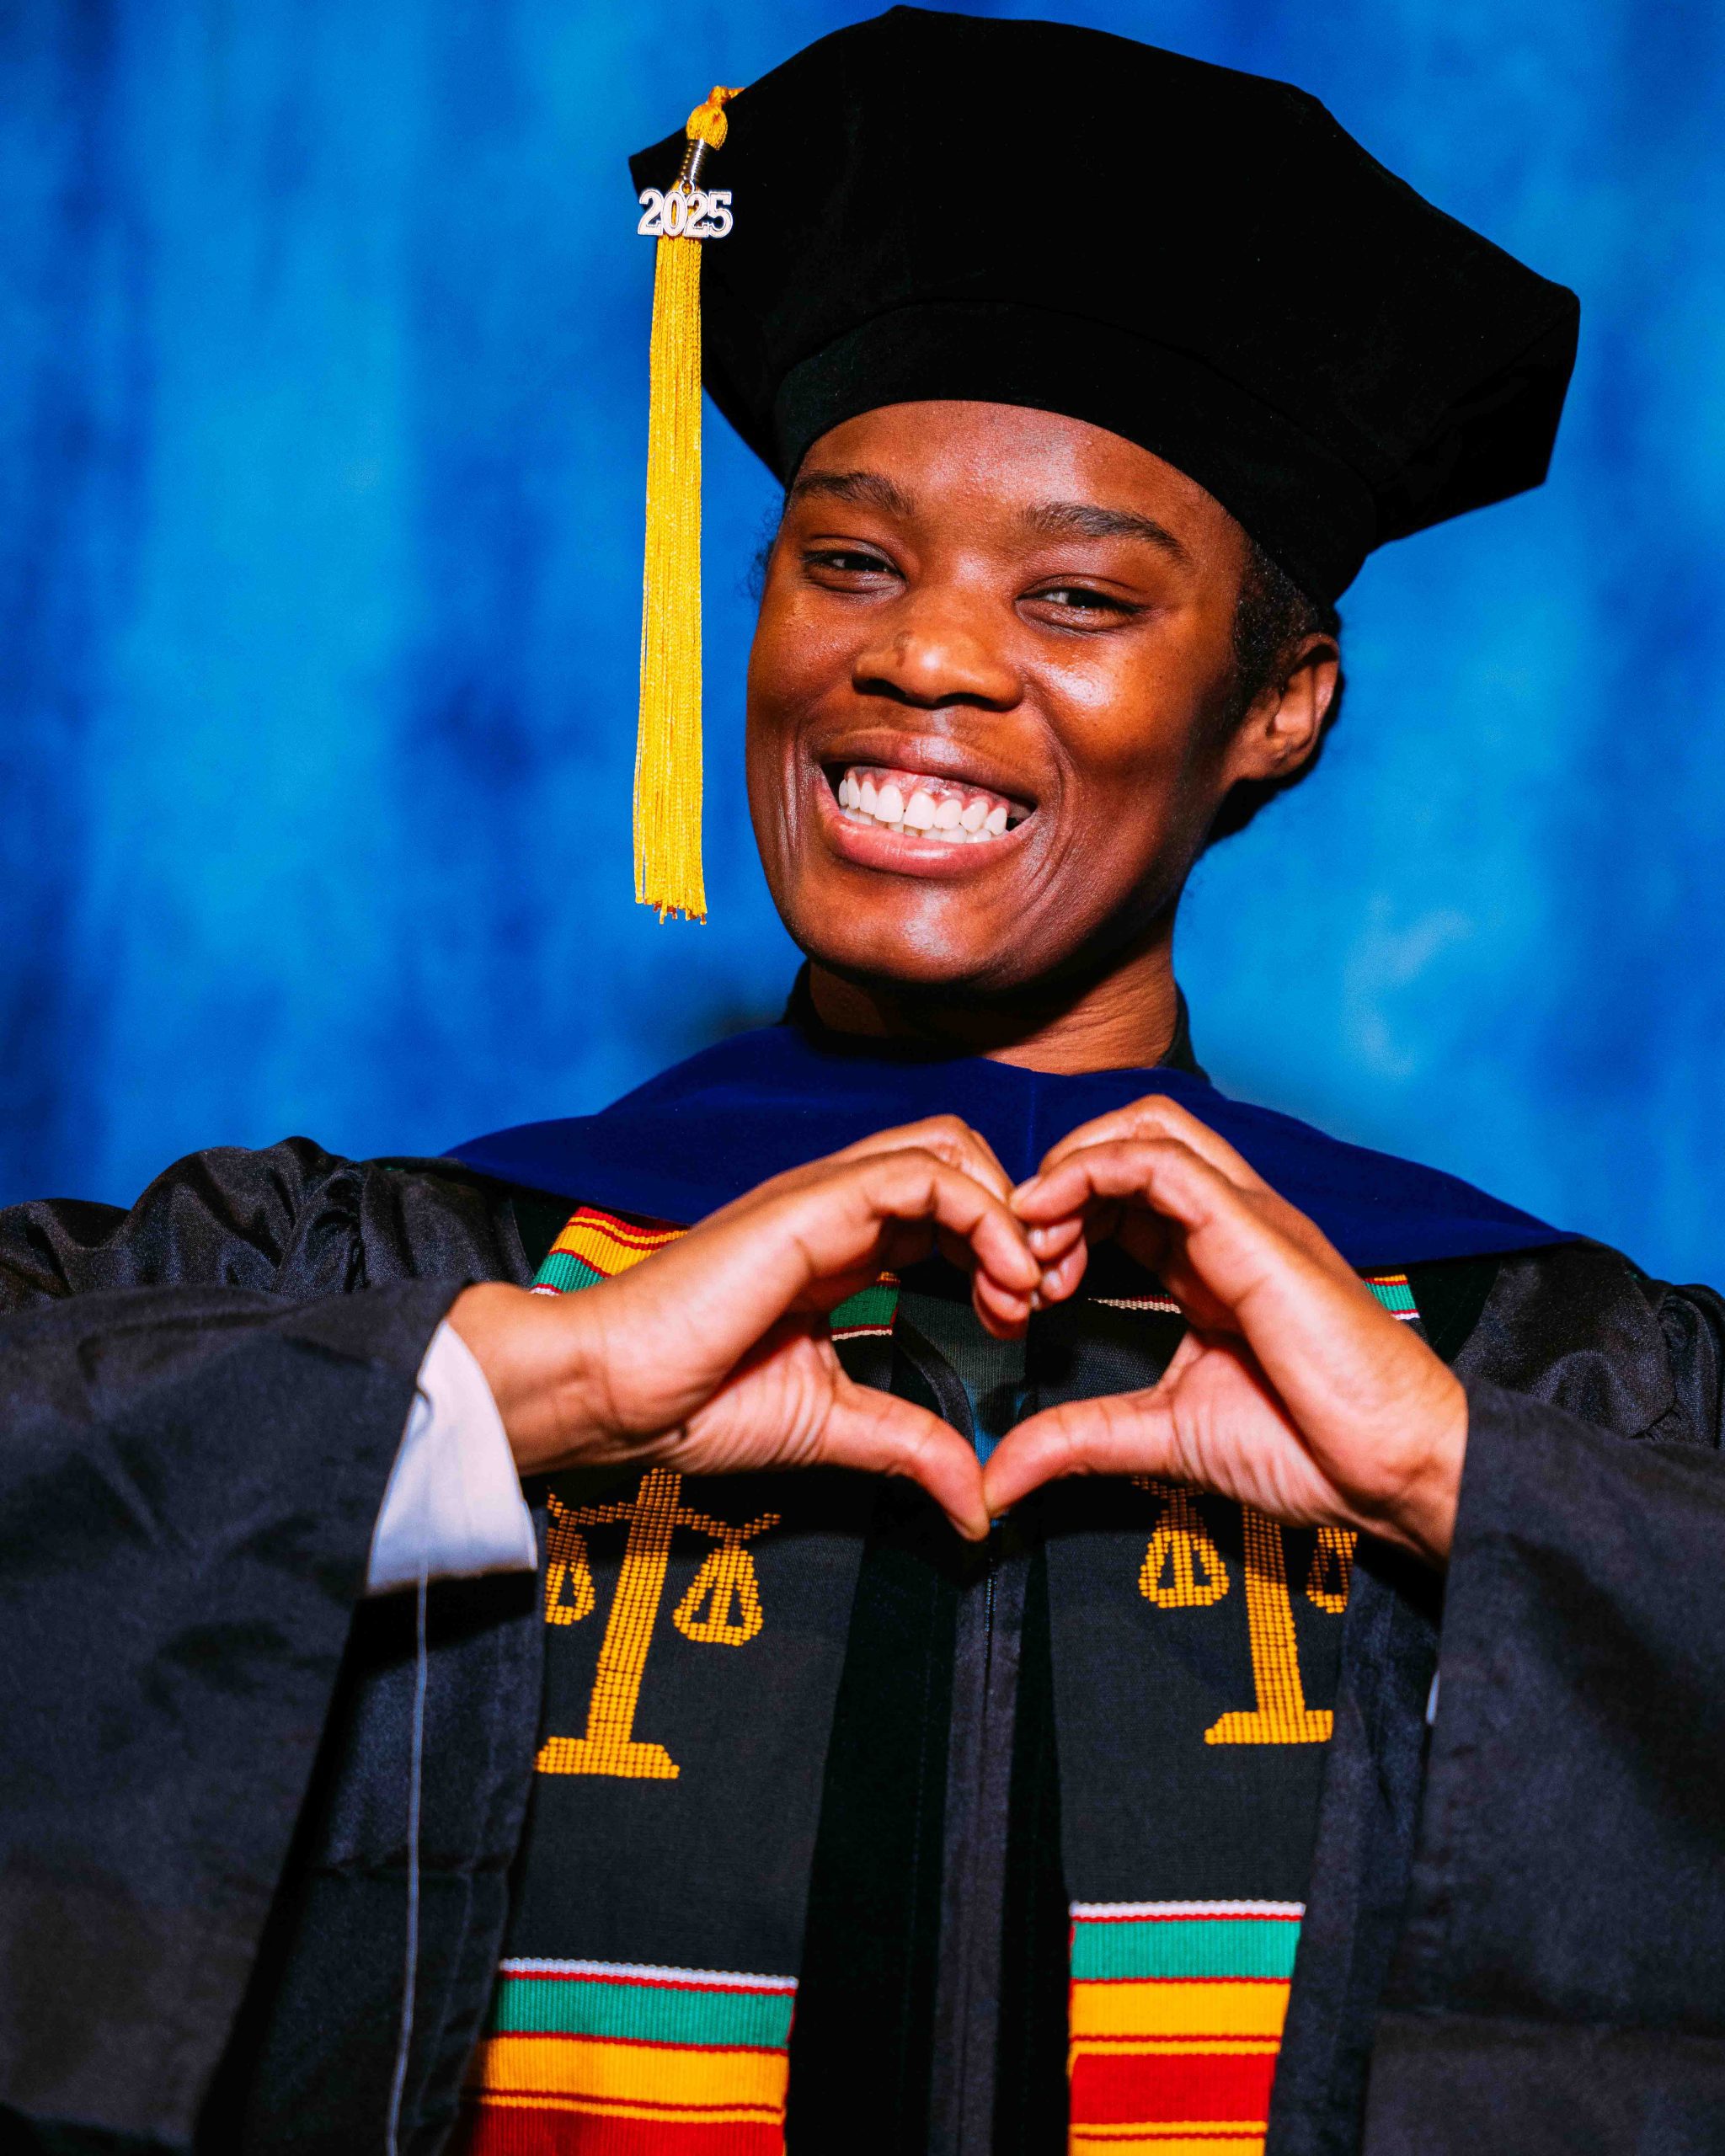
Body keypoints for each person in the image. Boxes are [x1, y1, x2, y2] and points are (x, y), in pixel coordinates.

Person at [3, 11, 1722, 2155]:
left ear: (1277, 705)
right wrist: (496, 1397)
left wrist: (1485, 1495)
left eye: (1078, 592)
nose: (916, 654)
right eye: (848, 558)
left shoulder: (1530, 1363)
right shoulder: (410, 1271)